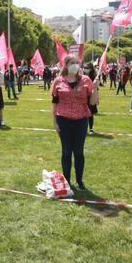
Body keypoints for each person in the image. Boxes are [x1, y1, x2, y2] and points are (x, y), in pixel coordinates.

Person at [51, 55, 96, 190]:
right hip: (63, 120)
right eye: (72, 62)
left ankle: (79, 181)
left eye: (77, 63)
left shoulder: (86, 80)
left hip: (81, 120)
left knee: (78, 152)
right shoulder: (58, 81)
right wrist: (54, 121)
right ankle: (67, 182)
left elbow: (93, 102)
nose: (75, 65)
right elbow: (54, 102)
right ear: (66, 65)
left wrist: (95, 88)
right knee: (66, 151)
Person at [84, 63, 99, 134]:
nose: (85, 69)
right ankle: (84, 128)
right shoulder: (81, 75)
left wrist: (97, 98)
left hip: (91, 96)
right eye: (85, 67)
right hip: (83, 96)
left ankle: (91, 129)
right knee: (83, 113)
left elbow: (96, 89)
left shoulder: (94, 76)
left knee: (90, 113)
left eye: (87, 68)